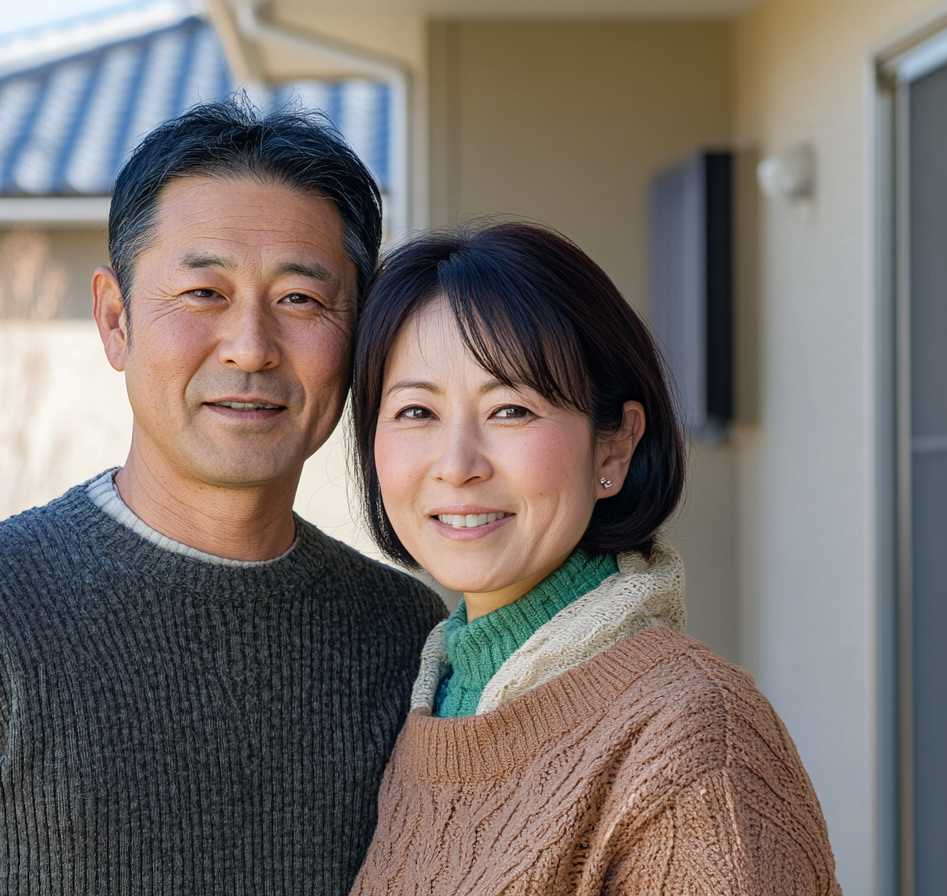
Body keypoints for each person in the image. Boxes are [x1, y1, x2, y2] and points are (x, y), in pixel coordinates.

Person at [0, 99, 446, 896]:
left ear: (360, 332)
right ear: (115, 319)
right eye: (203, 292)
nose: (250, 346)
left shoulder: (410, 640)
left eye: (300, 300)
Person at [347, 222, 840, 895]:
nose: (456, 466)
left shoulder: (693, 739)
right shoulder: (427, 695)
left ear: (613, 448)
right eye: (414, 413)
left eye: (511, 410)